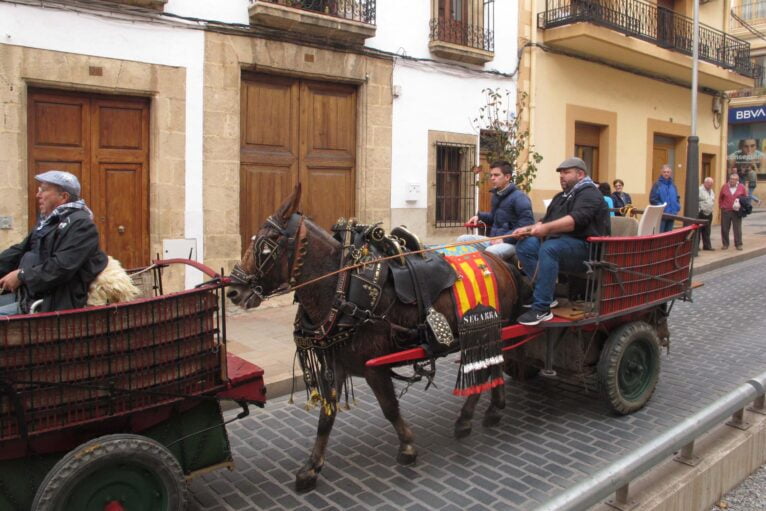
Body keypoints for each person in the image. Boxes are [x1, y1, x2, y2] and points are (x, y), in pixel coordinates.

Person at [513, 157, 610, 326]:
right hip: (563, 243)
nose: (562, 176)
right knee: (526, 245)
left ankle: (542, 308)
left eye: (566, 172)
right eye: (560, 173)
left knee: (550, 248)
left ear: (580, 174)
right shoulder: (561, 196)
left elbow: (575, 220)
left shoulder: (590, 194)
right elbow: (546, 220)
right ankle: (545, 295)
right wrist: (528, 230)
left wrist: (546, 229)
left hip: (588, 249)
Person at [0, 171, 107, 315]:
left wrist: (21, 275)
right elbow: (20, 250)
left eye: (43, 190)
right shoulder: (49, 221)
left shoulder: (81, 225)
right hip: (29, 294)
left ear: (63, 197)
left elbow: (61, 267)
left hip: (51, 302)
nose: (38, 195)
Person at [458, 160, 534, 260]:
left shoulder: (520, 198)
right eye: (491, 175)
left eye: (496, 175)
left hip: (513, 243)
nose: (492, 178)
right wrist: (479, 216)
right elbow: (494, 217)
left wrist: (504, 238)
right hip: (494, 239)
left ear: (507, 177)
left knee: (490, 252)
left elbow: (526, 225)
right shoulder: (497, 195)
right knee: (462, 239)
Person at [718, 172, 748, 251]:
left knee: (737, 229)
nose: (732, 181)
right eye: (731, 179)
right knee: (724, 228)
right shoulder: (724, 187)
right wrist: (721, 206)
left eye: (734, 180)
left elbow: (745, 198)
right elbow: (720, 198)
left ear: (737, 181)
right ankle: (725, 244)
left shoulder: (741, 187)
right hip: (726, 211)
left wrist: (742, 206)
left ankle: (738, 244)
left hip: (737, 211)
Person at [649, 164, 681, 232]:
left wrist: (677, 206)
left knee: (668, 235)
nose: (666, 174)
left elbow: (677, 197)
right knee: (660, 235)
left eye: (668, 172)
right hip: (662, 215)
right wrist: (662, 207)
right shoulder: (657, 185)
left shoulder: (673, 185)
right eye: (664, 172)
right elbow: (653, 199)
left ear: (670, 173)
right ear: (661, 172)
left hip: (672, 214)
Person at [697, 177, 715, 251]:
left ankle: (707, 246)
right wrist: (700, 209)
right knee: (699, 230)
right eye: (708, 183)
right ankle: (696, 247)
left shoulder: (711, 191)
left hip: (709, 213)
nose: (710, 185)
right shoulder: (699, 190)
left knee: (707, 230)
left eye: (711, 184)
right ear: (705, 183)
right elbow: (696, 200)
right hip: (701, 213)